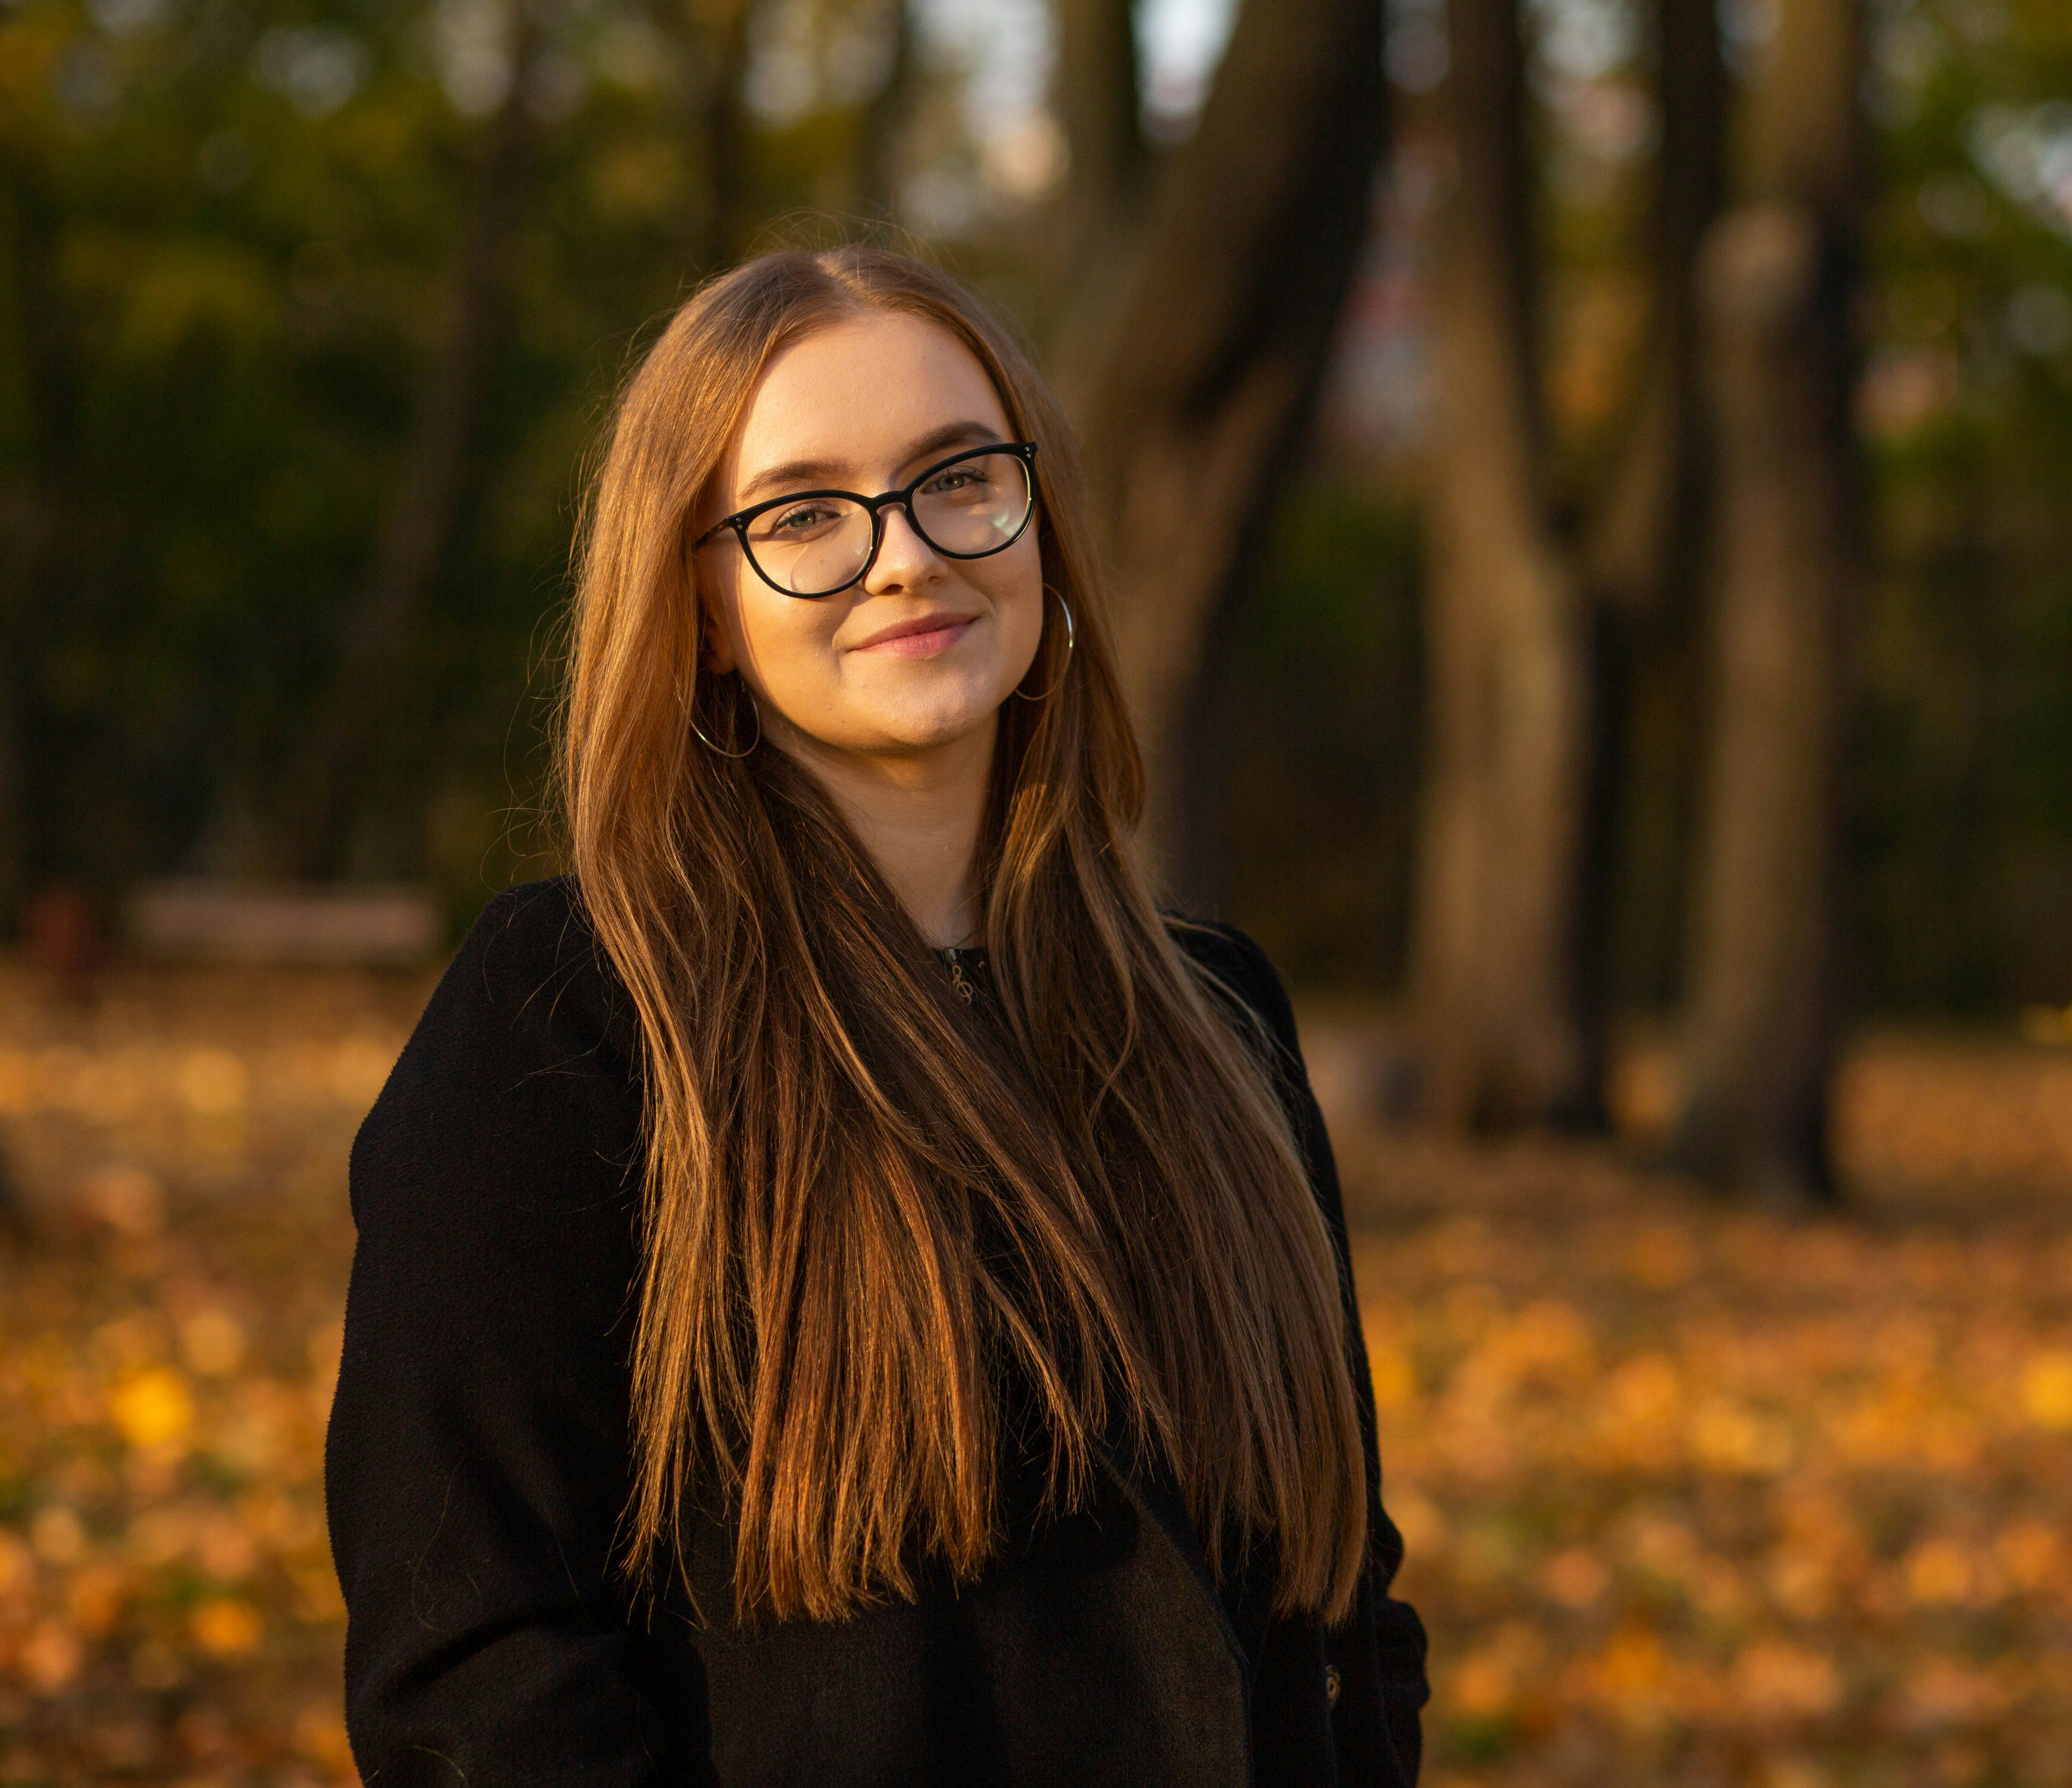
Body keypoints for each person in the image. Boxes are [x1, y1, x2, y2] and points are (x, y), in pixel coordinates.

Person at [323, 245, 1429, 1786]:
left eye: (958, 478)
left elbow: (1345, 1602)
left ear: (1036, 517)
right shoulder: (567, 1021)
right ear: (700, 601)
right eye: (802, 517)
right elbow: (472, 1667)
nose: (905, 557)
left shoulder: (1219, 1013)